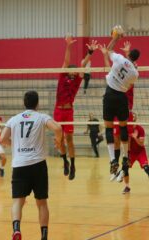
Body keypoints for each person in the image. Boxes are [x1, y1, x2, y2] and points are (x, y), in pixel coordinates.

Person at [0, 91, 62, 240]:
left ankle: (16, 229)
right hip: (38, 165)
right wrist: (58, 141)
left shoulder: (14, 119)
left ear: (24, 103)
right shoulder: (41, 117)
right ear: (37, 103)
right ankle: (44, 236)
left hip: (19, 165)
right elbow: (58, 128)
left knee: (17, 202)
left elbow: (2, 138)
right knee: (41, 203)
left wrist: (13, 144)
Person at [54, 35, 98, 180]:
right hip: (58, 111)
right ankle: (64, 160)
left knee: (70, 140)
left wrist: (90, 53)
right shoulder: (62, 76)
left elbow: (83, 64)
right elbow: (66, 61)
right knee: (59, 141)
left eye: (75, 70)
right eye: (71, 70)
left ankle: (72, 165)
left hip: (69, 111)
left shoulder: (77, 80)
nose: (73, 71)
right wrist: (68, 46)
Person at [99, 26, 140, 181]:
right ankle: (124, 156)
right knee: (123, 127)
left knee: (109, 128)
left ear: (128, 55)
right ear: (136, 59)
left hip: (109, 94)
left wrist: (117, 37)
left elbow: (109, 50)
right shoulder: (135, 73)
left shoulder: (119, 59)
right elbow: (129, 85)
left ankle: (112, 160)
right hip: (122, 97)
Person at [121, 113, 149, 196]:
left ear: (135, 118)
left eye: (134, 116)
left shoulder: (140, 129)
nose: (133, 117)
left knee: (147, 168)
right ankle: (127, 187)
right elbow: (125, 144)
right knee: (125, 167)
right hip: (130, 152)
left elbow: (141, 144)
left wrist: (135, 137)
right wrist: (127, 155)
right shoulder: (126, 129)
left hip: (140, 152)